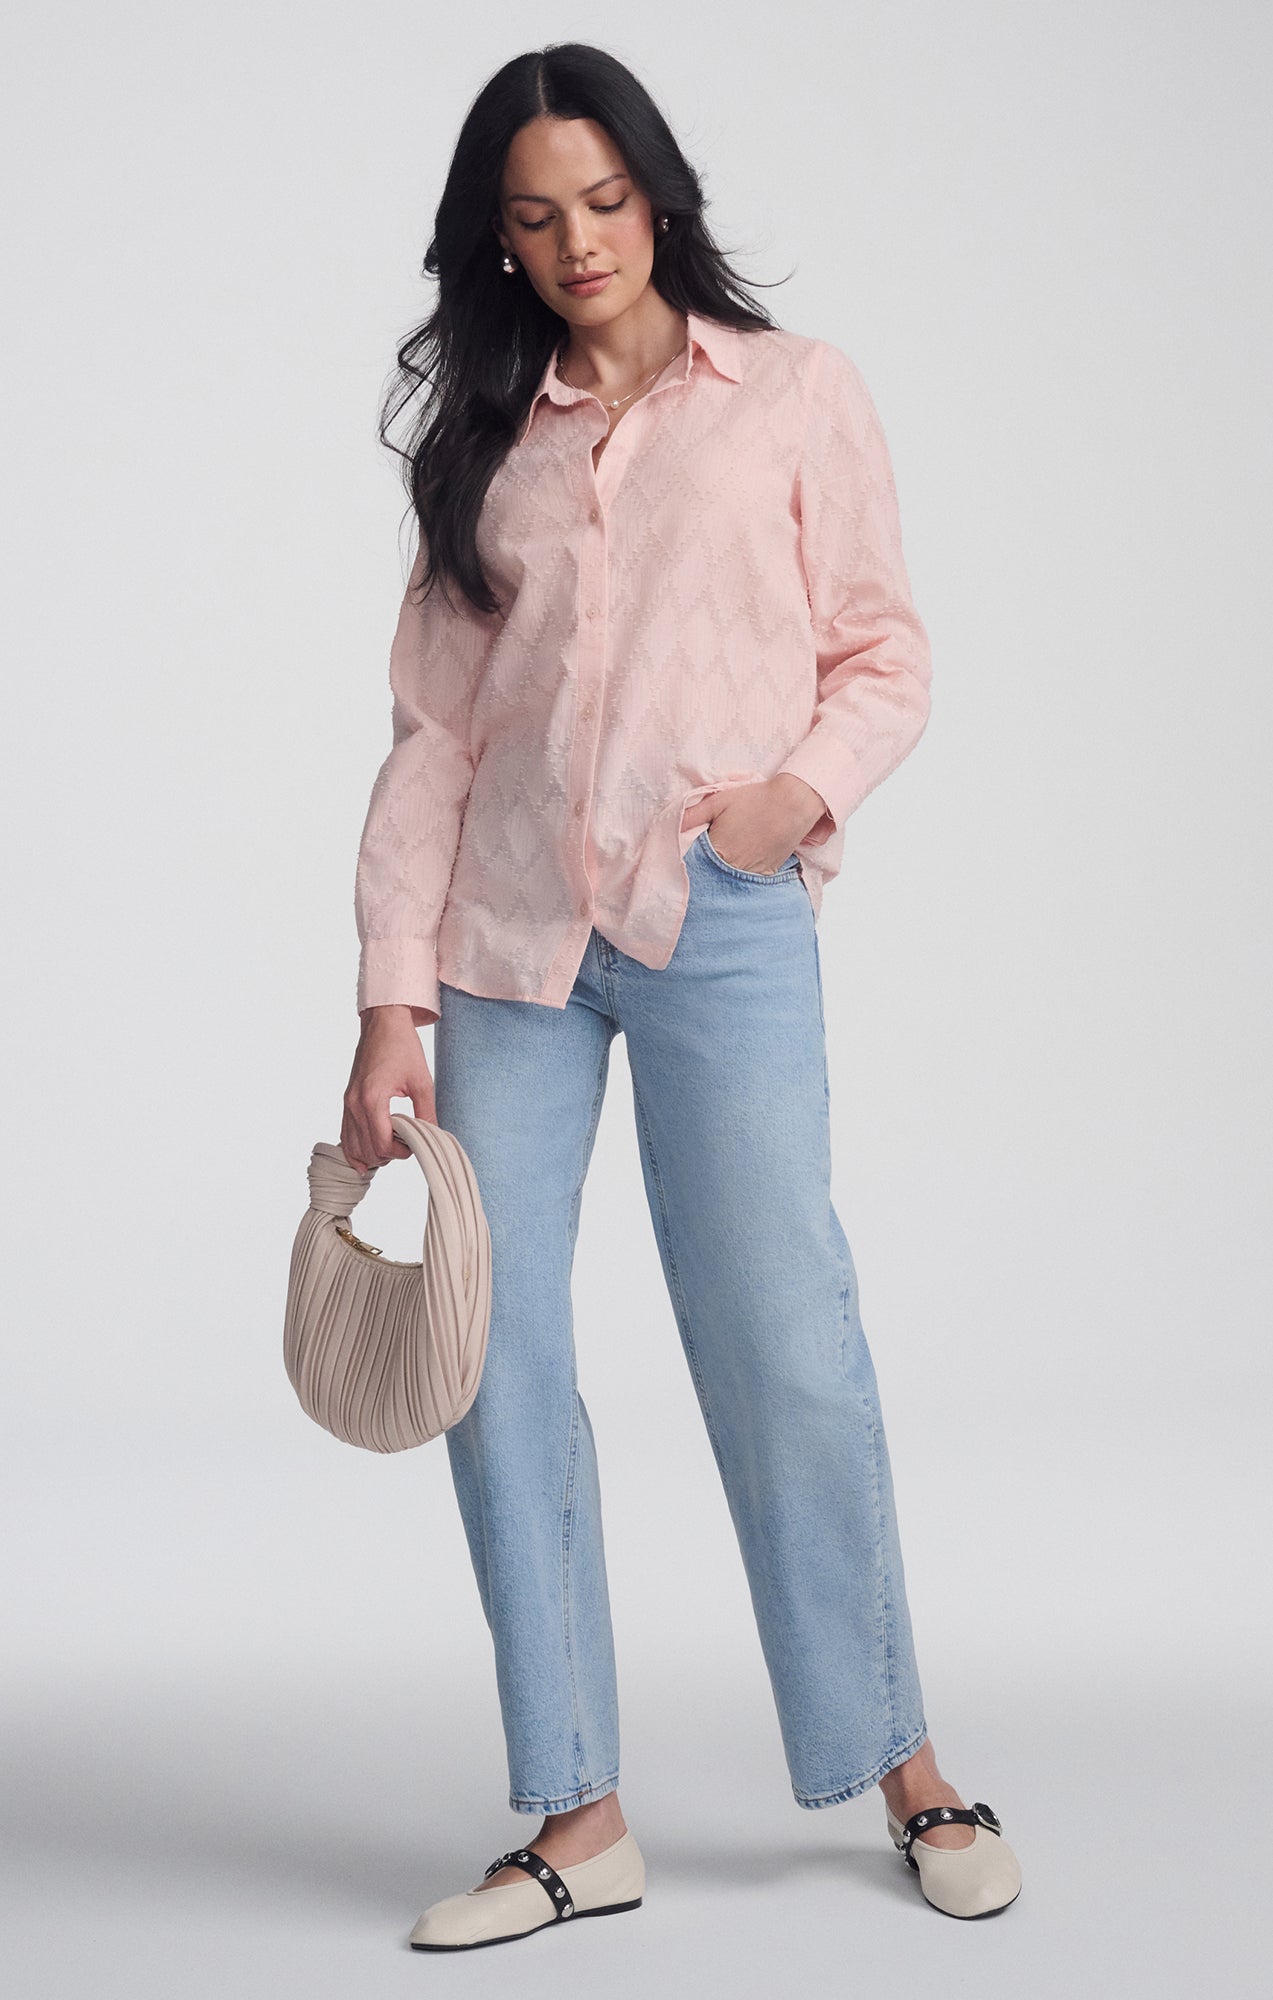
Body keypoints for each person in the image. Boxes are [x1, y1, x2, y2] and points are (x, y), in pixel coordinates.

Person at [339, 42, 1022, 1947]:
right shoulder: (488, 444)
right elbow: (433, 736)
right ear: (497, 239)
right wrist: (390, 1001)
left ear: (657, 194)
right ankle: (576, 1815)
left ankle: (902, 1764)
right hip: (504, 949)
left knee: (780, 1331)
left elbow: (882, 650)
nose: (578, 242)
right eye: (534, 216)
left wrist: (792, 800)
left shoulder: (792, 395)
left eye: (604, 200)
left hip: (717, 918)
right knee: (491, 1350)